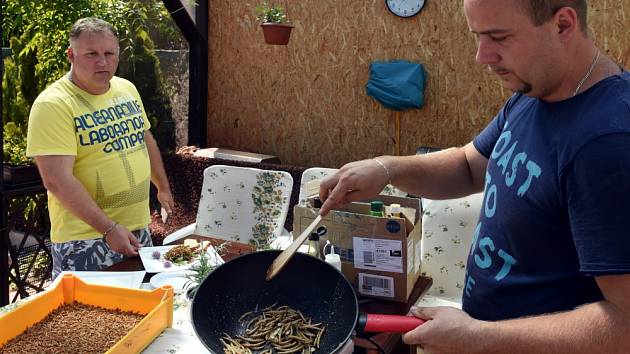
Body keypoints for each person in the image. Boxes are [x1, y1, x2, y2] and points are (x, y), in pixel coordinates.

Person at [319, 0, 630, 352]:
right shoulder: (535, 92)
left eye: (498, 37)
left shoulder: (608, 143)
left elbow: (625, 324)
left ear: (562, 25)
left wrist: (478, 337)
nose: (482, 56)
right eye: (478, 36)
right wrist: (386, 168)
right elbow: (469, 165)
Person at [26, 17, 174, 278]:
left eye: (109, 53)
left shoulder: (126, 89)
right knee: (90, 317)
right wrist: (108, 228)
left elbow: (144, 140)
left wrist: (162, 188)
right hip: (86, 239)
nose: (102, 61)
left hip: (137, 230)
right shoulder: (53, 104)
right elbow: (56, 179)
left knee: (143, 311)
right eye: (91, 54)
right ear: (71, 55)